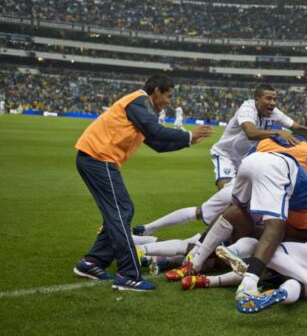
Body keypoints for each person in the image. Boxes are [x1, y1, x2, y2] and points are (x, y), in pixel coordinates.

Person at [72, 75, 212, 291]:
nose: (168, 101)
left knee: (120, 212)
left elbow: (157, 144)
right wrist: (187, 135)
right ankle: (127, 275)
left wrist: (189, 142)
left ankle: (92, 262)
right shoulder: (139, 101)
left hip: (97, 158)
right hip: (98, 158)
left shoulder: (141, 107)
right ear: (156, 91)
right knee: (122, 211)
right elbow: (156, 131)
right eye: (168, 96)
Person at [133, 134, 307, 236]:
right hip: (269, 198)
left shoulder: (265, 142)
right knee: (264, 233)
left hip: (240, 188)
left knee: (201, 213)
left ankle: (148, 229)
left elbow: (246, 164)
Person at [209, 84, 307, 191]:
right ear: (257, 100)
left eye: (274, 99)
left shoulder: (274, 112)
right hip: (227, 155)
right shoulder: (247, 109)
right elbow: (251, 133)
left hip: (247, 158)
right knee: (226, 191)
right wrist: (277, 132)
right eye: (268, 98)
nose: (272, 103)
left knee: (250, 194)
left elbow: (297, 128)